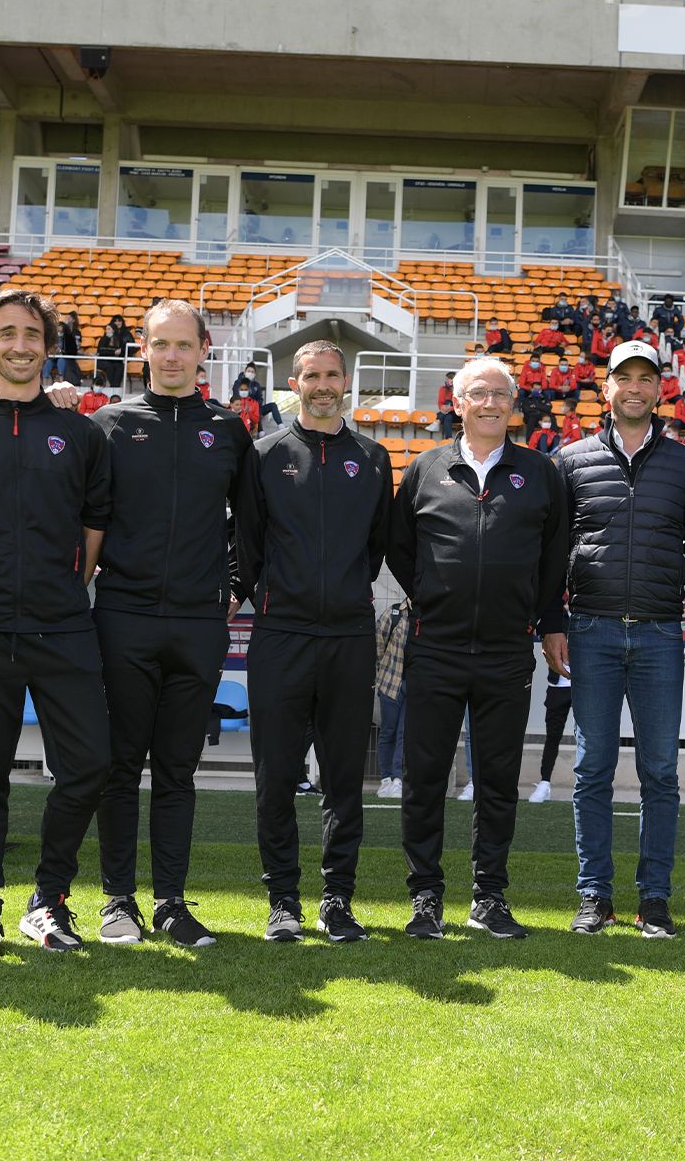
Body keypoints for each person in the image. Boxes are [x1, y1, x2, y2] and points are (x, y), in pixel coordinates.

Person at [0, 289, 112, 960]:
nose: (19, 344)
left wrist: (69, 586)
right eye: (7, 334)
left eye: (31, 334)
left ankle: (48, 901)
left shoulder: (81, 432)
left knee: (90, 763)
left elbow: (95, 524)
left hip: (63, 625)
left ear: (47, 343)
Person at [88, 301, 252, 949]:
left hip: (198, 624)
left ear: (204, 349)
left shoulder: (228, 429)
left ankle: (172, 904)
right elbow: (87, 517)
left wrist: (236, 587)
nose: (173, 356)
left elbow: (251, 523)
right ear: (144, 351)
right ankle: (117, 901)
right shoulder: (108, 425)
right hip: (123, 617)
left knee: (178, 771)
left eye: (184, 345)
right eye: (161, 344)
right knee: (121, 765)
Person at [541, 339, 685, 938]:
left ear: (660, 387)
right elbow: (554, 550)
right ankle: (594, 896)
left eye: (647, 378)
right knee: (592, 767)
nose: (635, 387)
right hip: (589, 631)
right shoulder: (570, 460)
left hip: (662, 633)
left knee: (660, 770)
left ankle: (655, 898)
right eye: (625, 378)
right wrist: (552, 623)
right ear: (605, 387)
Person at [389, 354, 567, 941]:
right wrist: (431, 597)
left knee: (497, 779)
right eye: (479, 394)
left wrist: (539, 620)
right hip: (435, 648)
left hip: (506, 653)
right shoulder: (424, 468)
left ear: (513, 405)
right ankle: (425, 898)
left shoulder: (541, 472)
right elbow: (400, 548)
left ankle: (489, 896)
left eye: (501, 395)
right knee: (424, 778)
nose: (490, 404)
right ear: (457, 402)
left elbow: (553, 558)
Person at [237, 340, 392, 944]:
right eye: (311, 376)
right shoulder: (264, 455)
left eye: (331, 375)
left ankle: (336, 899)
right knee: (275, 774)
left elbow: (374, 548)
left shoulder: (374, 458)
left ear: (346, 381)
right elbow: (248, 541)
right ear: (293, 382)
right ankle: (282, 901)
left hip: (350, 636)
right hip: (281, 634)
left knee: (344, 777)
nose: (322, 385)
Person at [374, 598, 411, 799]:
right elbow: (378, 642)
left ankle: (398, 778)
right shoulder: (394, 613)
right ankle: (386, 778)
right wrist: (383, 672)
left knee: (403, 732)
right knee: (388, 730)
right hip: (390, 681)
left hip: (414, 684)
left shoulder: (426, 615)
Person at [529, 671, 572, 804]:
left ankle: (589, 786)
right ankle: (545, 782)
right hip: (557, 686)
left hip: (584, 685)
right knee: (552, 737)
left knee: (588, 737)